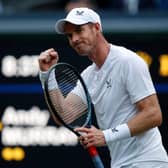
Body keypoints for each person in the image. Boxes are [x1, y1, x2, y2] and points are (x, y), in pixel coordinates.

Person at [38, 7, 168, 168]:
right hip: (121, 163)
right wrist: (47, 76)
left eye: (79, 30)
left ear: (97, 28)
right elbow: (63, 116)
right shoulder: (88, 76)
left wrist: (105, 136)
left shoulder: (127, 61)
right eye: (70, 35)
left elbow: (154, 114)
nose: (74, 39)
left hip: (148, 161)